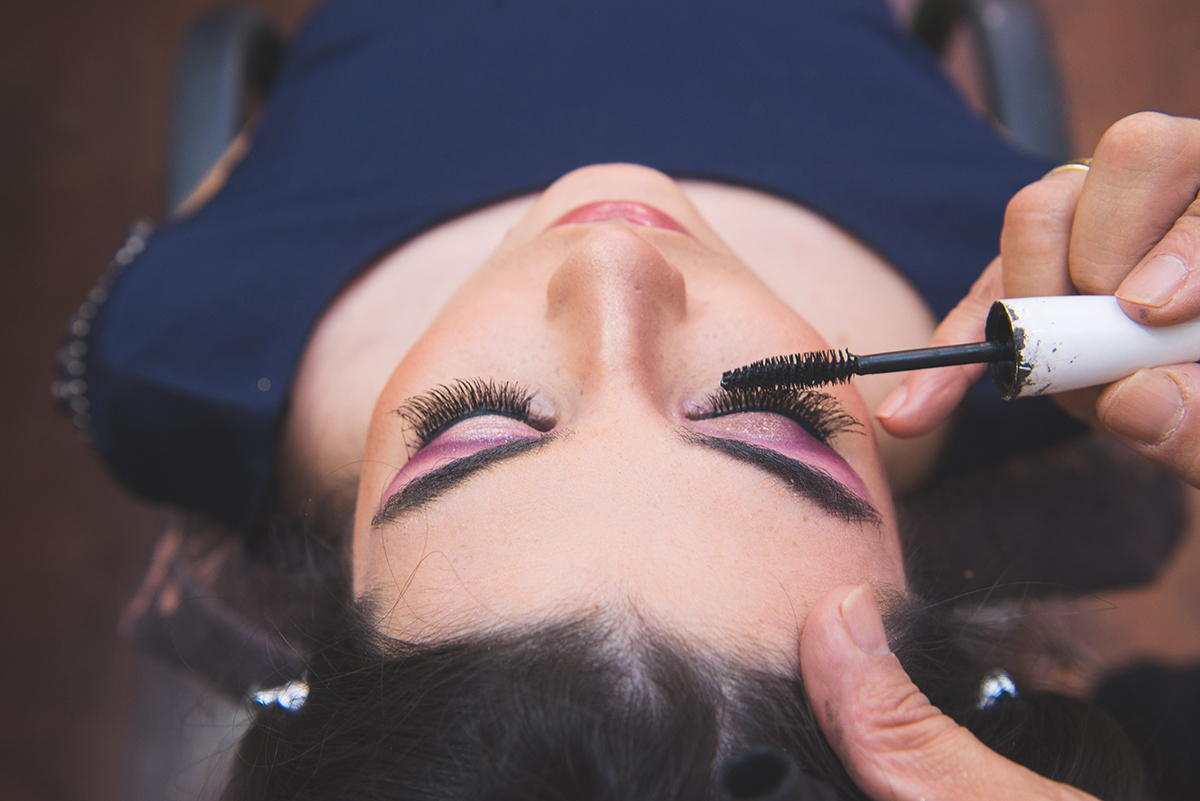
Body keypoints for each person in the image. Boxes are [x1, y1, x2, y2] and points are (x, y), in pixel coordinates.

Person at [57, 1, 1200, 798]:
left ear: (323, 585)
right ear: (920, 562)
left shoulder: (175, 361)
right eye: (770, 420)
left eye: (475, 424)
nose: (615, 271)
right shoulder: (1047, 301)